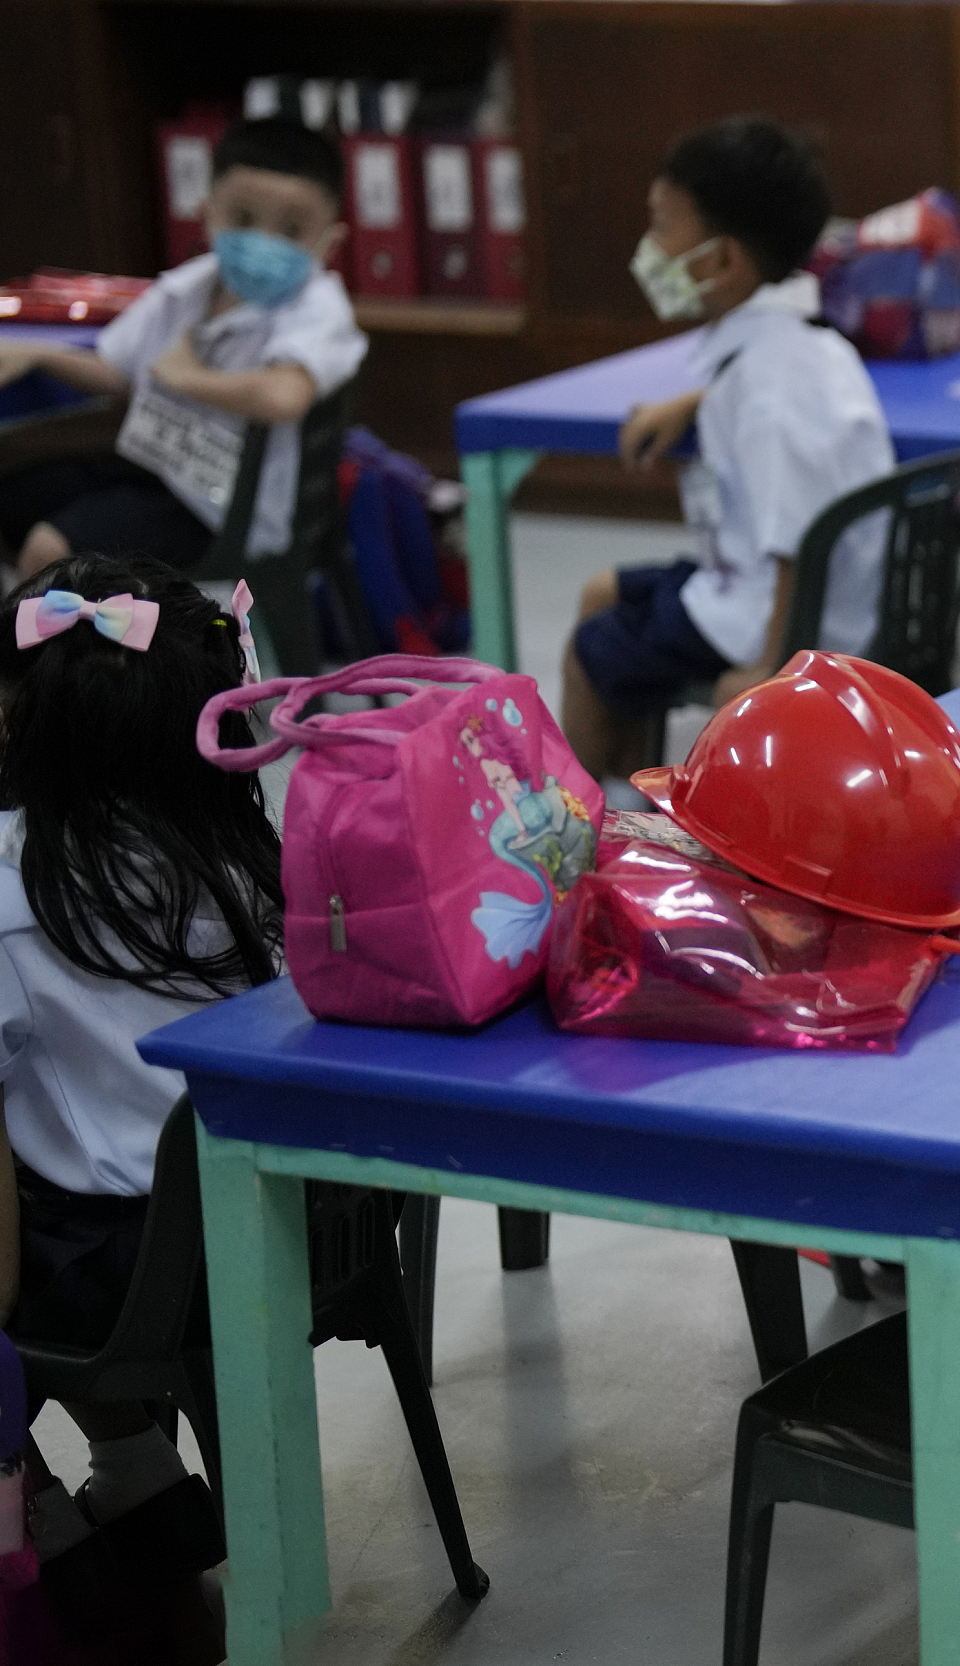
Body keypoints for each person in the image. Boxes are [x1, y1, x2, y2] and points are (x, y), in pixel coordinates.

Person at [0, 551, 284, 1629]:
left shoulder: (15, 881)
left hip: (128, 1271)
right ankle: (137, 1480)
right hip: (276, 1231)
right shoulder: (243, 848)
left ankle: (45, 1524)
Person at [561, 116, 895, 787]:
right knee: (602, 591)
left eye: (662, 226)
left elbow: (792, 540)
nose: (649, 247)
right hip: (765, 583)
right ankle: (636, 780)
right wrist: (697, 402)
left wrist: (766, 672)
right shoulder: (798, 345)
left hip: (781, 617)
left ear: (722, 260)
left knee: (589, 650)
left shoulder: (768, 392)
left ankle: (582, 821)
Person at [0, 118, 368, 580]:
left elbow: (284, 396)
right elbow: (122, 370)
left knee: (49, 549)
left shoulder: (318, 308)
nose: (263, 242)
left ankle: (65, 646)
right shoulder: (188, 286)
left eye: (291, 229)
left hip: (223, 507)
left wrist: (187, 376)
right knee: (13, 499)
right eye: (242, 219)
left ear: (329, 242)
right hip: (156, 466)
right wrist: (39, 354)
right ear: (206, 213)